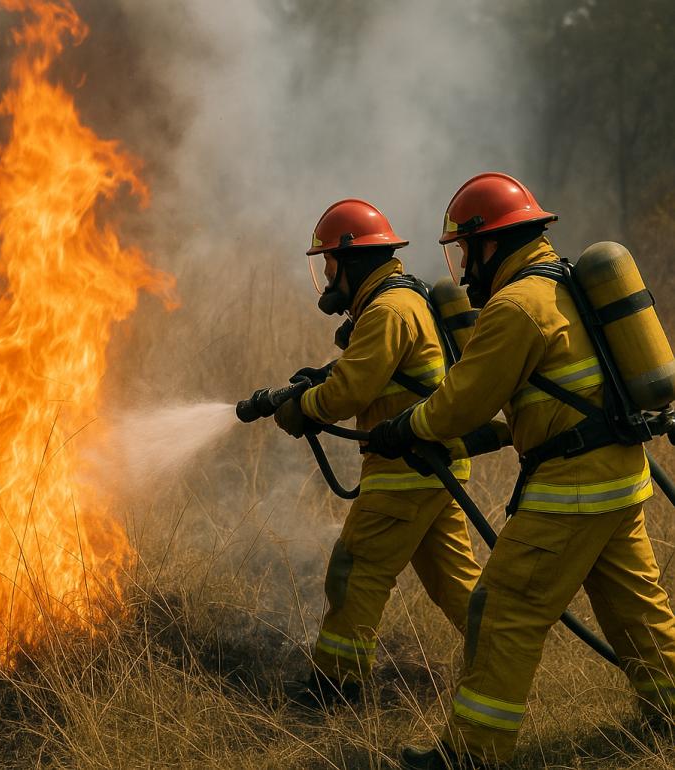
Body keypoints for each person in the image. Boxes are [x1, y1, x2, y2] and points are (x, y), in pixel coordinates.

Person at [368, 172, 675, 769]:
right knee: (637, 609)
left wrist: (407, 425)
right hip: (618, 477)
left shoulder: (515, 307)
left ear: (491, 243)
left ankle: (474, 752)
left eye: (465, 251)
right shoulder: (562, 284)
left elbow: (461, 402)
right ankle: (669, 711)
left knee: (503, 610)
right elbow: (545, 398)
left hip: (572, 492)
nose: (464, 269)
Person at [274, 198, 482, 709]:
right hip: (430, 466)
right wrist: (320, 378)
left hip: (405, 470)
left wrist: (303, 407)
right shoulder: (400, 300)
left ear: (354, 260)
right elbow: (368, 371)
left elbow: (349, 392)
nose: (327, 276)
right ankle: (503, 659)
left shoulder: (387, 310)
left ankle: (335, 688)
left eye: (329, 263)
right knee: (455, 584)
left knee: (356, 568)